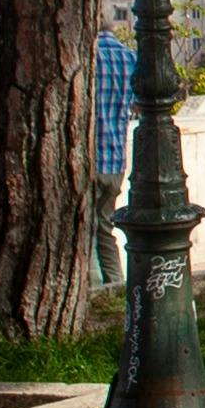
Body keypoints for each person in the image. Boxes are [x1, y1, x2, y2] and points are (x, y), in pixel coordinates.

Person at [91, 22, 138, 286]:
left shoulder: (89, 55)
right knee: (105, 227)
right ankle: (117, 285)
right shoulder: (129, 57)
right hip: (115, 160)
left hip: (88, 159)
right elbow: (137, 105)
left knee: (84, 229)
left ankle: (92, 288)